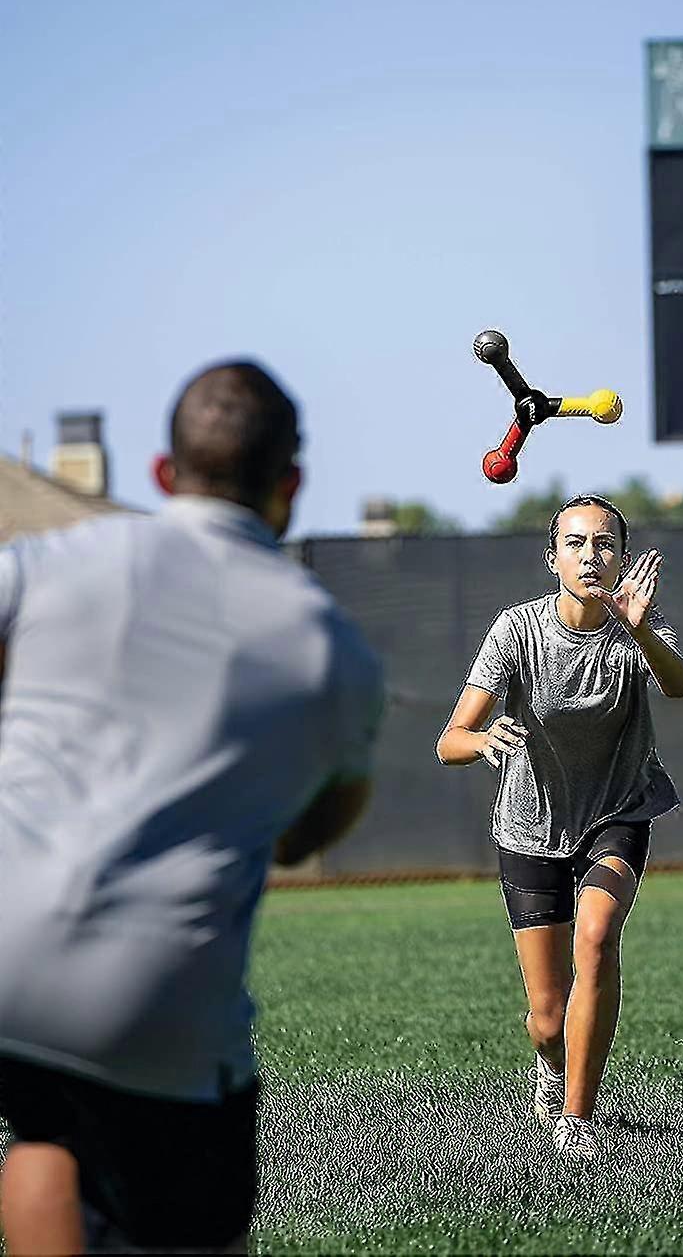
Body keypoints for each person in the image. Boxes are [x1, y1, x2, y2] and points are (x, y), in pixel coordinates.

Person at [0, 360, 383, 1255]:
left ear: (163, 474)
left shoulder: (47, 562)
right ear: (290, 488)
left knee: (48, 1133)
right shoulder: (332, 650)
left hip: (5, 955)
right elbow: (308, 833)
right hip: (153, 1004)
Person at [436, 494, 683, 1163]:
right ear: (552, 559)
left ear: (623, 560)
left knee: (598, 937)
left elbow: (679, 684)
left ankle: (577, 1119)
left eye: (604, 544)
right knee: (547, 1019)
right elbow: (449, 740)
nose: (590, 555)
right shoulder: (517, 630)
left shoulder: (638, 625)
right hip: (530, 829)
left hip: (617, 811)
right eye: (575, 544)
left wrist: (639, 631)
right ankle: (551, 1067)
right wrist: (483, 736)